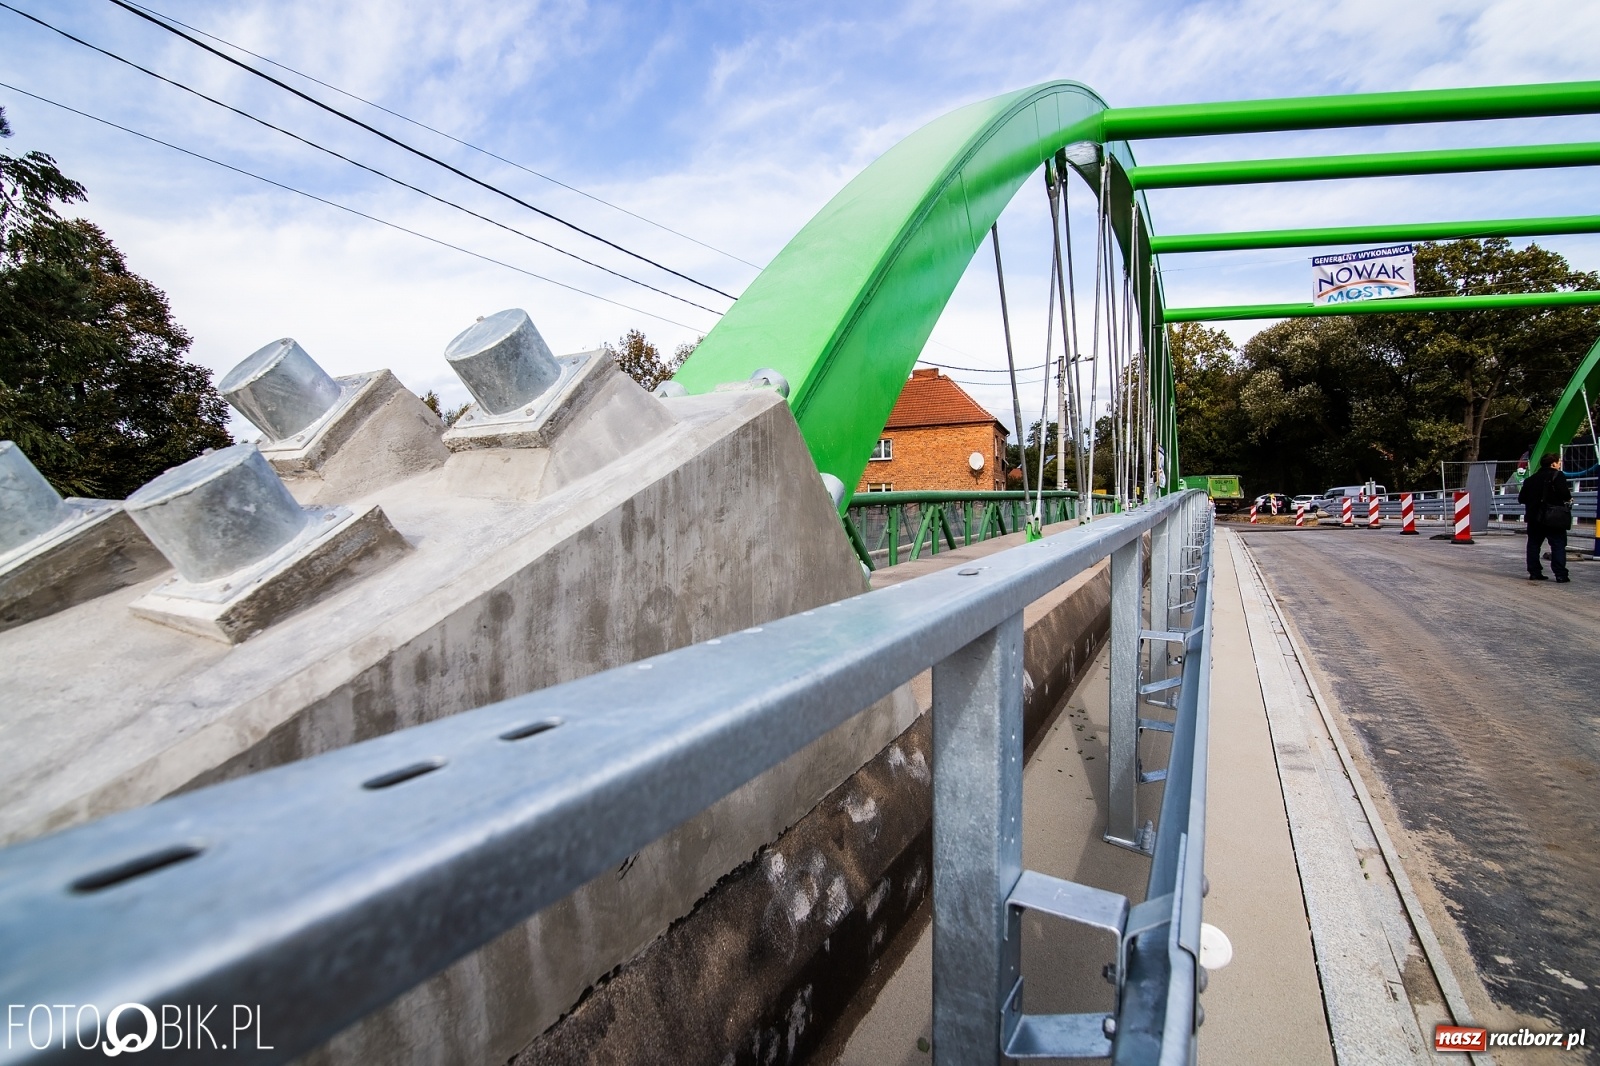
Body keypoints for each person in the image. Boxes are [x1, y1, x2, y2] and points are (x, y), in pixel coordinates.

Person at [1517, 453, 1572, 582]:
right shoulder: (1558, 475)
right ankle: (1560, 574)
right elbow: (1564, 493)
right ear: (1553, 463)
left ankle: (1535, 572)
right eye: (1558, 462)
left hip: (1534, 517)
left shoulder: (1530, 480)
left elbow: (1522, 499)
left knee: (1534, 545)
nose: (1559, 465)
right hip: (1553, 517)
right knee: (1558, 544)